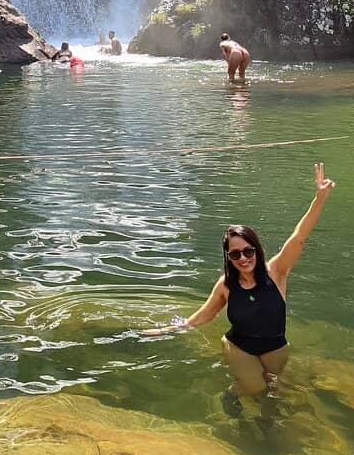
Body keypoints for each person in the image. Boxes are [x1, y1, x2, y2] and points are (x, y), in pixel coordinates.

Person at [143, 163, 336, 412]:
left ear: (256, 249)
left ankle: (264, 426)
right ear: (228, 257)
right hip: (239, 347)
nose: (243, 258)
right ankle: (230, 393)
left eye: (248, 251)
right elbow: (205, 315)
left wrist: (319, 198)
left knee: (271, 393)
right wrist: (170, 329)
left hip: (276, 348)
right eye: (235, 254)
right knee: (255, 388)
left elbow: (298, 237)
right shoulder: (227, 284)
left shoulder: (276, 271)